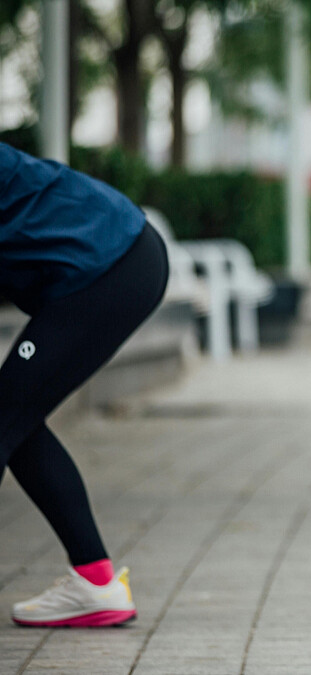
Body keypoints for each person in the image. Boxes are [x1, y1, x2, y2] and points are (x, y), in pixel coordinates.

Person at [1, 142, 169, 627]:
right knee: (16, 419)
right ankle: (96, 583)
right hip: (116, 263)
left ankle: (97, 585)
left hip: (112, 266)